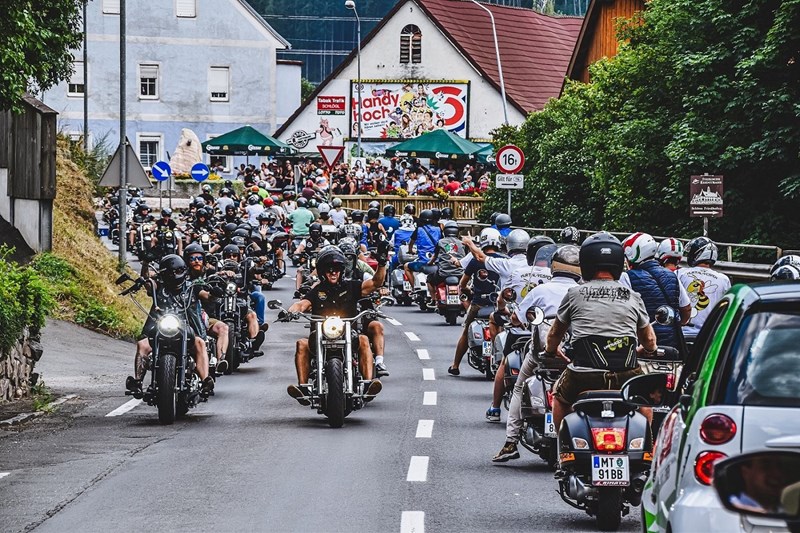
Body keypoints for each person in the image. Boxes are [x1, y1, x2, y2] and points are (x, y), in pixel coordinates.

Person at [544, 232, 657, 440]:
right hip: (626, 374)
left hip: (583, 375)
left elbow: (554, 334)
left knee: (558, 398)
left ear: (586, 263)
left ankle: (562, 445)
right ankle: (646, 444)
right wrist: (648, 350)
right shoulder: (633, 296)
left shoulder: (574, 294)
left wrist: (550, 352)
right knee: (644, 401)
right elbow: (649, 340)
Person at [492, 245, 581, 462]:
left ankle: (511, 441)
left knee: (519, 387)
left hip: (541, 355)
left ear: (554, 266)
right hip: (574, 356)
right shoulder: (582, 292)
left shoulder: (540, 290)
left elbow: (516, 319)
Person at [284, 244, 390, 404]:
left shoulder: (352, 287)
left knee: (363, 339)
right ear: (322, 272)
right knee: (301, 344)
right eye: (329, 269)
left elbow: (376, 283)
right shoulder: (317, 290)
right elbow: (302, 304)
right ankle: (304, 388)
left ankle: (368, 384)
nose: (333, 272)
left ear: (341, 270)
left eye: (336, 269)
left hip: (348, 335)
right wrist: (290, 311)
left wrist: (382, 264)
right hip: (320, 336)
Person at [125, 255, 214, 398]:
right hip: (160, 327)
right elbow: (148, 283)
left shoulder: (192, 287)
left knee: (200, 343)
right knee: (142, 344)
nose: (174, 275)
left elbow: (207, 296)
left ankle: (205, 382)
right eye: (170, 272)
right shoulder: (159, 287)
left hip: (187, 328)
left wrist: (215, 294)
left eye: (177, 271)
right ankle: (137, 382)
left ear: (184, 271)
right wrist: (145, 263)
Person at [448, 227, 506, 375]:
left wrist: (468, 291)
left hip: (478, 304)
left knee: (466, 332)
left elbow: (462, 284)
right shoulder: (504, 261)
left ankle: (455, 365)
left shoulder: (475, 261)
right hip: (498, 305)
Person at [620, 232, 692, 350]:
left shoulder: (626, 277)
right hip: (672, 344)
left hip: (642, 344)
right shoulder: (672, 275)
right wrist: (679, 323)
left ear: (633, 254)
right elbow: (686, 308)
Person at [184, 243, 230, 374]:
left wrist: (225, 274)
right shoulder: (181, 276)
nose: (196, 261)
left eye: (199, 258)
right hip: (184, 316)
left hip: (205, 316)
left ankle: (220, 360)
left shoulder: (211, 273)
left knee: (223, 328)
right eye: (192, 259)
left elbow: (210, 294)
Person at [677, 236, 731, 336]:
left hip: (682, 333)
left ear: (696, 254)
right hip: (709, 336)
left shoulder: (680, 273)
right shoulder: (724, 280)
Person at [404, 209, 442, 297]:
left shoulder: (419, 230)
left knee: (406, 266)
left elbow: (411, 243)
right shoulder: (438, 229)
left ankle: (413, 288)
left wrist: (410, 251)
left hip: (423, 263)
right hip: (437, 262)